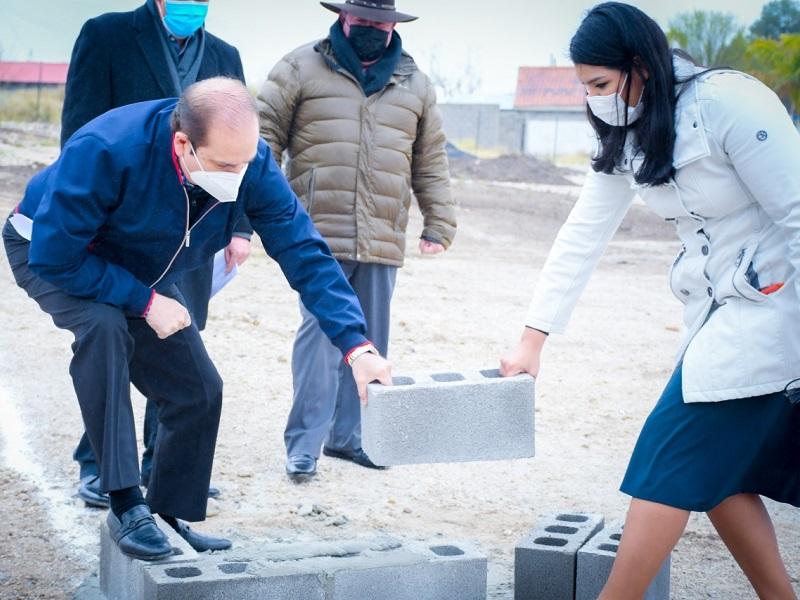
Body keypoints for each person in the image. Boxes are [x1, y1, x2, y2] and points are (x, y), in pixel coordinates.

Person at [4, 77, 392, 560]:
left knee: (198, 388)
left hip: (135, 263)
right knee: (104, 329)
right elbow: (53, 256)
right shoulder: (105, 149)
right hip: (52, 250)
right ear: (183, 144)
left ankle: (167, 513)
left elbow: (302, 250)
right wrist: (144, 302)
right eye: (227, 166)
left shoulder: (248, 162)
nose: (239, 175)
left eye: (246, 163)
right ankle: (125, 504)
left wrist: (356, 345)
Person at [500, 3, 800, 598]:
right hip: (715, 313)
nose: (594, 100)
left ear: (640, 65)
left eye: (601, 84)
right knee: (718, 474)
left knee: (668, 456)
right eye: (585, 88)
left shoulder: (729, 102)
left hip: (776, 303)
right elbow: (583, 234)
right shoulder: (629, 131)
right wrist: (532, 339)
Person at [61, 0, 253, 507]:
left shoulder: (225, 56)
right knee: (117, 342)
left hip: (195, 225)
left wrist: (240, 228)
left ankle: (163, 461)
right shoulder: (107, 36)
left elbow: (239, 145)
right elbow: (78, 132)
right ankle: (100, 465)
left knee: (177, 345)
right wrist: (86, 218)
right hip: (122, 225)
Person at [257, 0, 456, 483]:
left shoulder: (416, 84)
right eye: (361, 21)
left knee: (369, 342)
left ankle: (351, 437)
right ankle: (304, 446)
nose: (370, 29)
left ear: (392, 26)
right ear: (343, 18)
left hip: (382, 234)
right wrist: (258, 213)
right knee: (319, 337)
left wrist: (439, 221)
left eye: (378, 23)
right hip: (315, 233)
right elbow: (263, 142)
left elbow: (429, 159)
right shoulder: (299, 66)